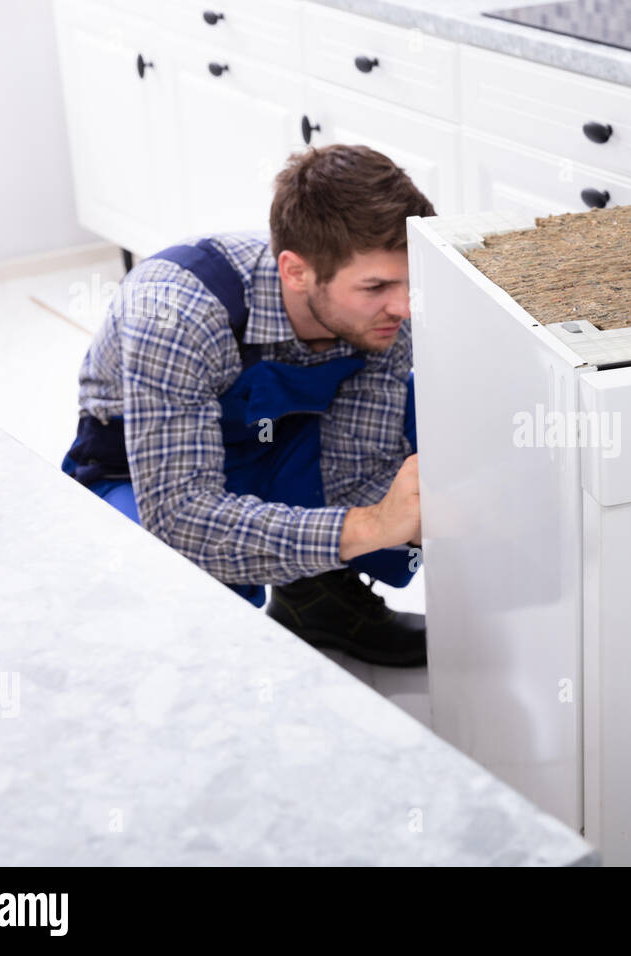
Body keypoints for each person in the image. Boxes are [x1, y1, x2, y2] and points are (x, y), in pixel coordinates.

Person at [60, 144, 431, 666]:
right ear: (296, 272)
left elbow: (357, 473)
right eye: (376, 286)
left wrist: (432, 514)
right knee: (187, 599)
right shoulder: (176, 310)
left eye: (410, 281)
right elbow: (181, 516)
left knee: (429, 426)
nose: (404, 306)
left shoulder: (385, 312)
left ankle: (317, 601)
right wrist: (369, 527)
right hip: (146, 472)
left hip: (277, 436)